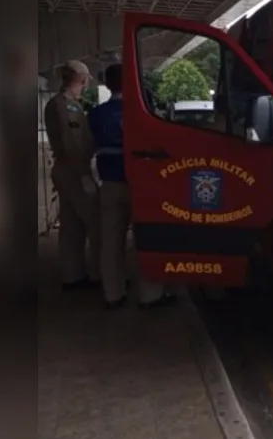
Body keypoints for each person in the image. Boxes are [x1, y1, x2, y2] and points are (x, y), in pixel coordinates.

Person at [88, 63, 176, 310]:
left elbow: (87, 147)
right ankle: (150, 294)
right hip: (141, 186)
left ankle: (113, 295)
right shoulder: (142, 111)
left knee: (110, 242)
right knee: (147, 239)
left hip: (110, 184)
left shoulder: (96, 114)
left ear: (107, 85)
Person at [44, 60, 101, 291]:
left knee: (71, 226)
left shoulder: (62, 103)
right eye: (87, 78)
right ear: (81, 78)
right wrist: (84, 176)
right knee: (96, 222)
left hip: (65, 170)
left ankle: (72, 275)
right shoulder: (66, 106)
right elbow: (73, 144)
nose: (88, 82)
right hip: (74, 170)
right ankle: (100, 275)